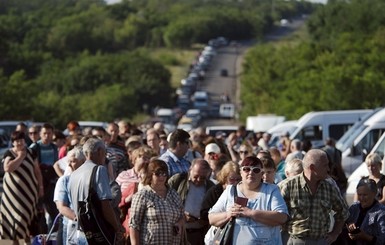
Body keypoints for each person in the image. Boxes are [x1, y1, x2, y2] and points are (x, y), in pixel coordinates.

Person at [208, 156, 289, 244]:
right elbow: (212, 218)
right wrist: (229, 214)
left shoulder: (271, 190)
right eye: (246, 169)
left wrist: (251, 213)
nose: (251, 173)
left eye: (256, 170)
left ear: (261, 174)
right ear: (241, 172)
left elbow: (282, 217)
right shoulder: (230, 190)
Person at [279, 149, 349, 245]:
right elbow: (275, 214)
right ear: (312, 168)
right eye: (325, 165)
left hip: (320, 241)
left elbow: (343, 212)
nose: (328, 169)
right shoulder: (288, 186)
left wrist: (334, 234)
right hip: (293, 240)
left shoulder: (329, 188)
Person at [68, 137, 125, 243]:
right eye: (105, 152)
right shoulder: (99, 170)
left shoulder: (74, 174)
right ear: (99, 151)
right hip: (97, 234)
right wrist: (117, 227)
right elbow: (105, 205)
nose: (105, 156)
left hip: (80, 233)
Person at [0, 131, 43, 245]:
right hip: (12, 195)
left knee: (25, 219)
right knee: (12, 220)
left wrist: (41, 187)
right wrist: (20, 157)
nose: (19, 143)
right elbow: (8, 168)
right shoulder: (9, 153)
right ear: (13, 143)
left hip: (29, 194)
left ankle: (25, 243)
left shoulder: (31, 152)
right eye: (17, 141)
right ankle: (10, 243)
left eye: (21, 140)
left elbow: (37, 171)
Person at [129, 159, 185, 245]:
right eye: (158, 174)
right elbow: (134, 225)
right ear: (150, 174)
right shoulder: (142, 195)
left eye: (164, 174)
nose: (162, 177)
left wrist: (179, 223)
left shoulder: (174, 194)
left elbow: (182, 216)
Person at [168, 159, 214, 245]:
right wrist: (182, 214)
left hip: (200, 233)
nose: (198, 180)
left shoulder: (211, 187)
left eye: (203, 178)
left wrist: (206, 219)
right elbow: (164, 202)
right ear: (190, 170)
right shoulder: (178, 180)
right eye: (196, 176)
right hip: (178, 231)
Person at [30, 123, 59, 232]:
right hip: (38, 183)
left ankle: (53, 236)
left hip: (51, 182)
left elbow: (56, 163)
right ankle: (40, 235)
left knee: (54, 211)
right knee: (39, 212)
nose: (47, 136)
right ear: (40, 134)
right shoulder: (34, 147)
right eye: (44, 133)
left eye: (49, 133)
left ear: (52, 134)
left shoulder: (54, 147)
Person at [53, 146, 86, 245]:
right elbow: (61, 207)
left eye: (73, 161)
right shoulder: (64, 181)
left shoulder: (90, 179)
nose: (69, 165)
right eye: (69, 161)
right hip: (71, 226)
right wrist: (80, 219)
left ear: (83, 161)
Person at [341, 178, 385, 245]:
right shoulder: (354, 208)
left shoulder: (381, 212)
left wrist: (365, 236)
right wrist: (349, 225)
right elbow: (342, 223)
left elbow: (382, 240)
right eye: (359, 195)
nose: (361, 198)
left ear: (374, 193)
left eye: (365, 195)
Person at [201, 161, 240, 228]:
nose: (235, 182)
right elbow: (204, 213)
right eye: (231, 179)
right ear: (225, 177)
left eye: (238, 179)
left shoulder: (240, 191)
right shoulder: (214, 191)